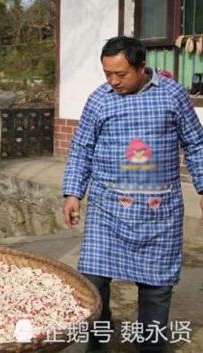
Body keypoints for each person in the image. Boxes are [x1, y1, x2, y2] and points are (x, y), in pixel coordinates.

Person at [62, 36, 203, 353]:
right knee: (93, 282)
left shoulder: (173, 95)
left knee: (155, 290)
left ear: (141, 67)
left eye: (120, 74)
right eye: (107, 74)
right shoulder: (100, 99)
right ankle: (97, 341)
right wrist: (72, 193)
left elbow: (197, 144)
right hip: (106, 210)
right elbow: (81, 148)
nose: (113, 81)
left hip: (158, 211)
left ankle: (151, 347)